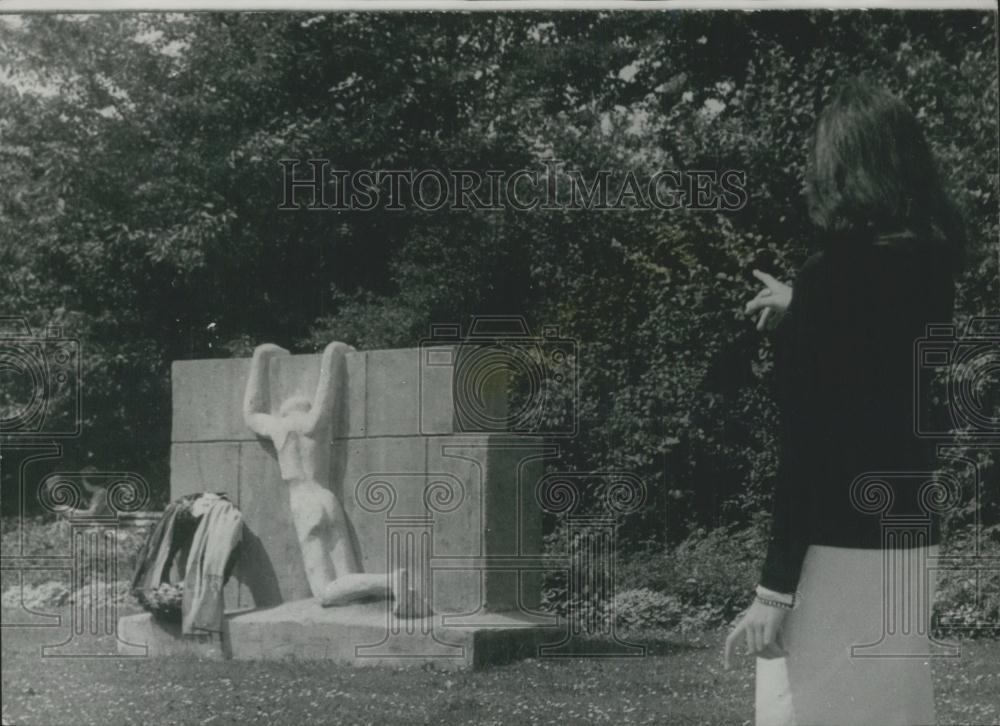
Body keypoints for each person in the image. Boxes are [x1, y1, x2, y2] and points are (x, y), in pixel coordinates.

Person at [726, 79, 964, 725]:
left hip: (837, 545)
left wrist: (773, 590)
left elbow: (811, 446)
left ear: (837, 167)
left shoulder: (830, 278)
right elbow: (880, 359)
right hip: (910, 535)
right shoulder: (933, 266)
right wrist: (806, 310)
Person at [243, 341, 427, 616]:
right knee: (346, 575)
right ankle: (393, 586)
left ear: (284, 411)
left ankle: (390, 582)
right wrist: (333, 351)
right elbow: (325, 391)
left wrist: (261, 355)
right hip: (327, 499)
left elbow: (251, 412)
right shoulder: (313, 424)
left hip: (304, 503)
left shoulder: (279, 428)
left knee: (326, 593)